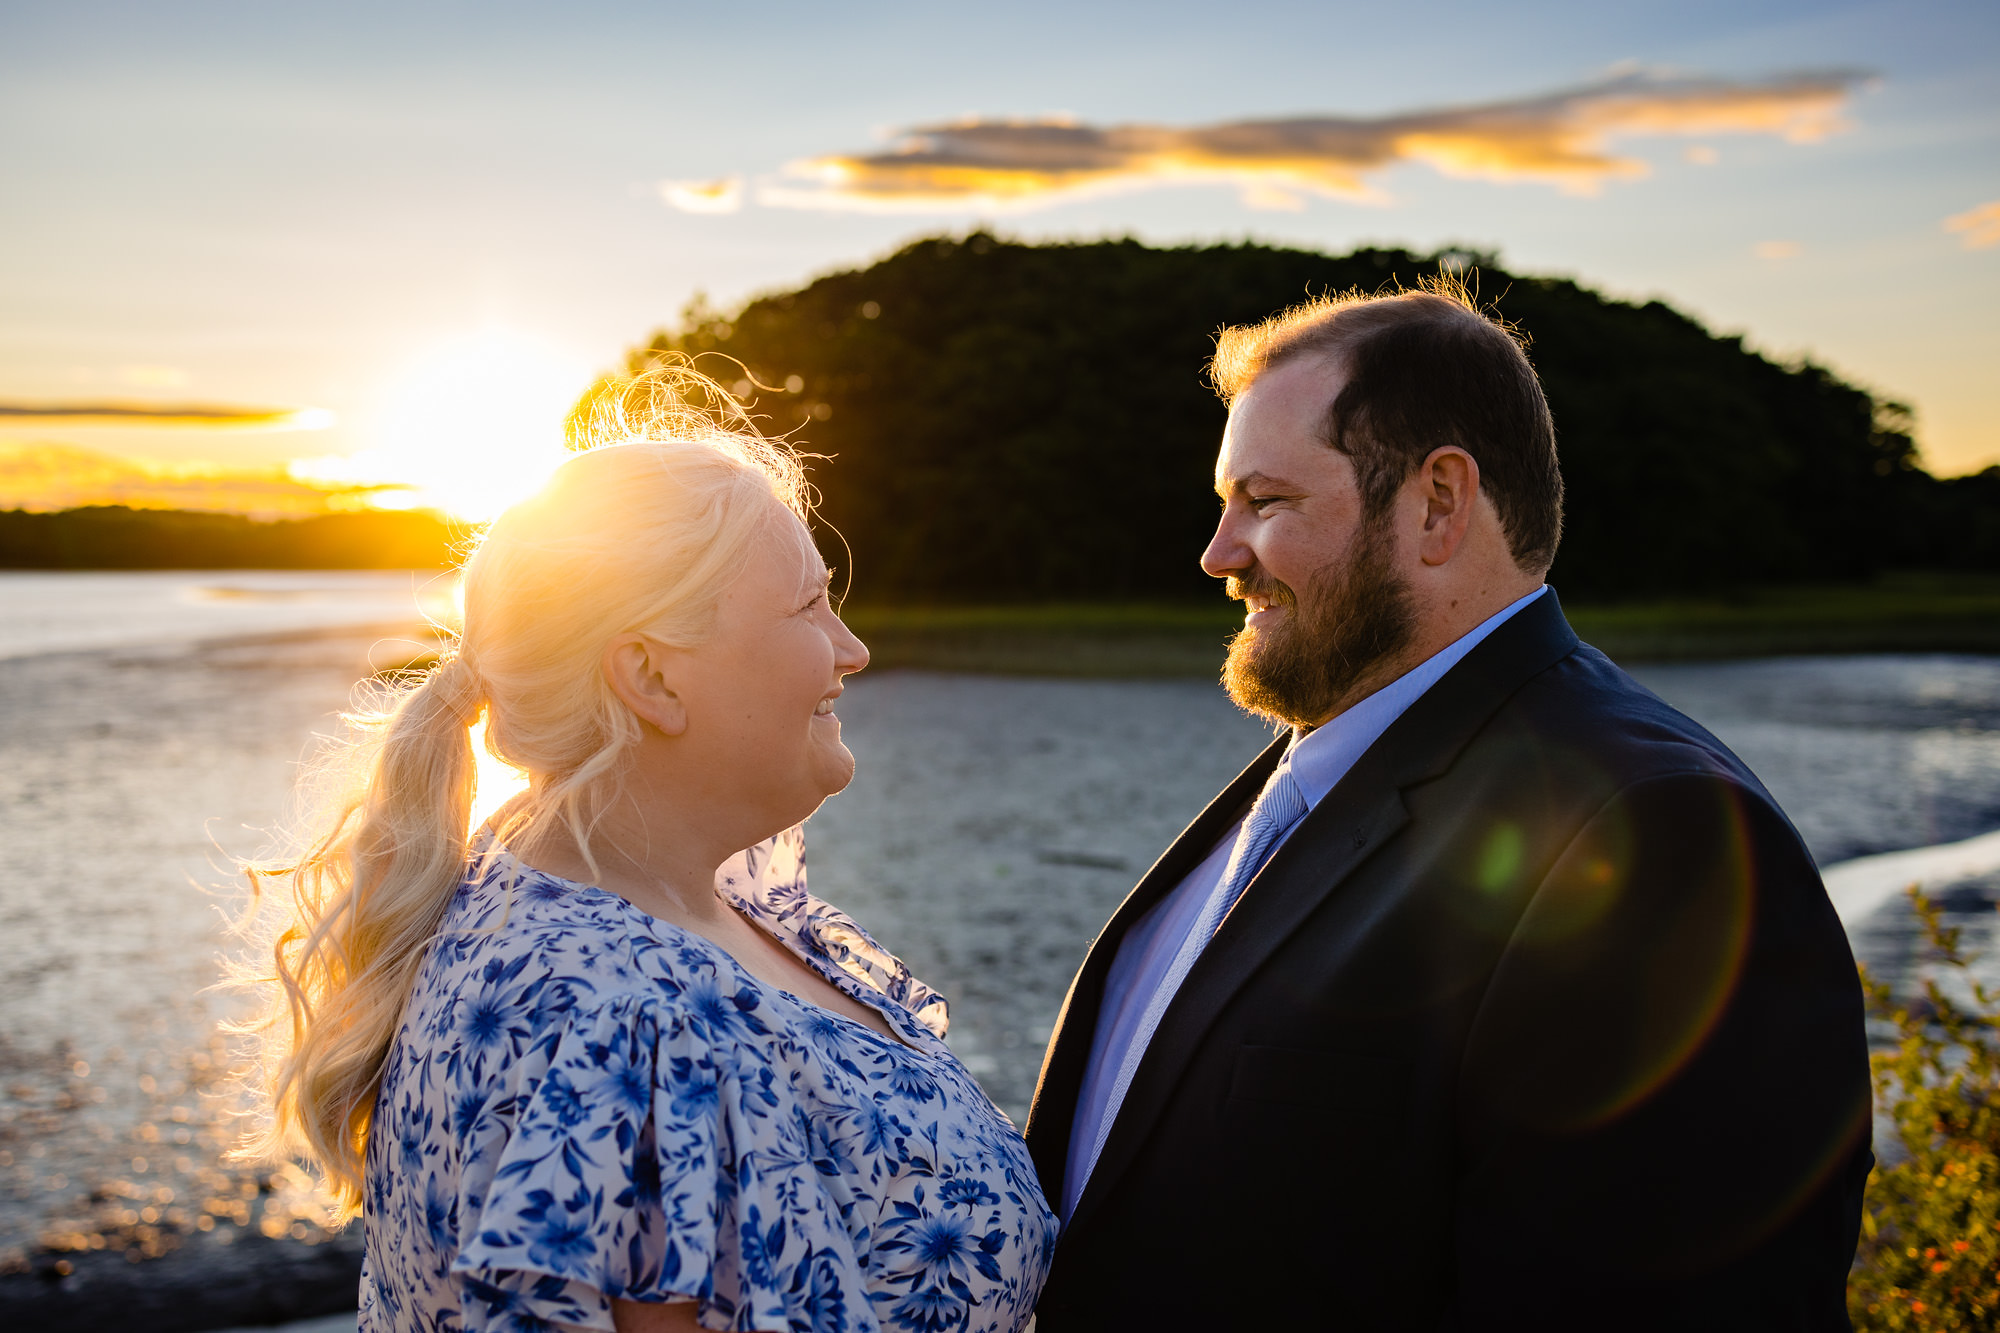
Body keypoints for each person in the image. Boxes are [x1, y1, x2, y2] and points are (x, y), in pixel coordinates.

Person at [1023, 287, 1872, 1329]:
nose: (1217, 552)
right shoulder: (1316, 770)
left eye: (1265, 501)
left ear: (1436, 503)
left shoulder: (1652, 831)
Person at [238, 373, 1055, 1333]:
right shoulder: (617, 1017)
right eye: (807, 608)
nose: (852, 648)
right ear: (651, 676)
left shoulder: (658, 901)